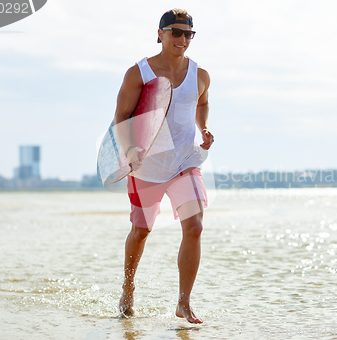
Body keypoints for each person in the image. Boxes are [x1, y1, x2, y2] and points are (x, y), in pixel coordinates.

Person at [114, 9, 214, 324]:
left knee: (194, 225)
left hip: (185, 160)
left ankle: (183, 302)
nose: (183, 39)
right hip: (147, 165)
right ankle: (128, 287)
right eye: (176, 32)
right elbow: (121, 117)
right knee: (141, 231)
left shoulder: (200, 74)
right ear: (160, 33)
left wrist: (204, 128)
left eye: (189, 34)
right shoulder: (139, 73)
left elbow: (202, 102)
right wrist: (130, 149)